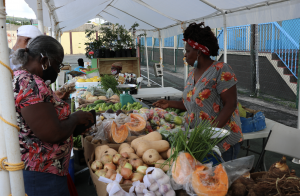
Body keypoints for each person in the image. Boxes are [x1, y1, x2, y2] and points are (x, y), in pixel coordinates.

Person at [12, 35, 94, 196]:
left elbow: (43, 123)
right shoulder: (30, 84)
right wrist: (75, 118)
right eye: (58, 64)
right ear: (45, 60)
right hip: (41, 173)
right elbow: (52, 133)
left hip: (44, 171)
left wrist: (73, 128)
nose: (57, 70)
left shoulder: (26, 78)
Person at [153, 23, 243, 162]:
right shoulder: (191, 74)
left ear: (199, 52)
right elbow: (193, 104)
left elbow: (230, 104)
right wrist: (169, 103)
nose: (185, 55)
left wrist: (210, 133)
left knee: (222, 181)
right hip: (201, 141)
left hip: (222, 141)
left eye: (188, 51)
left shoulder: (221, 69)